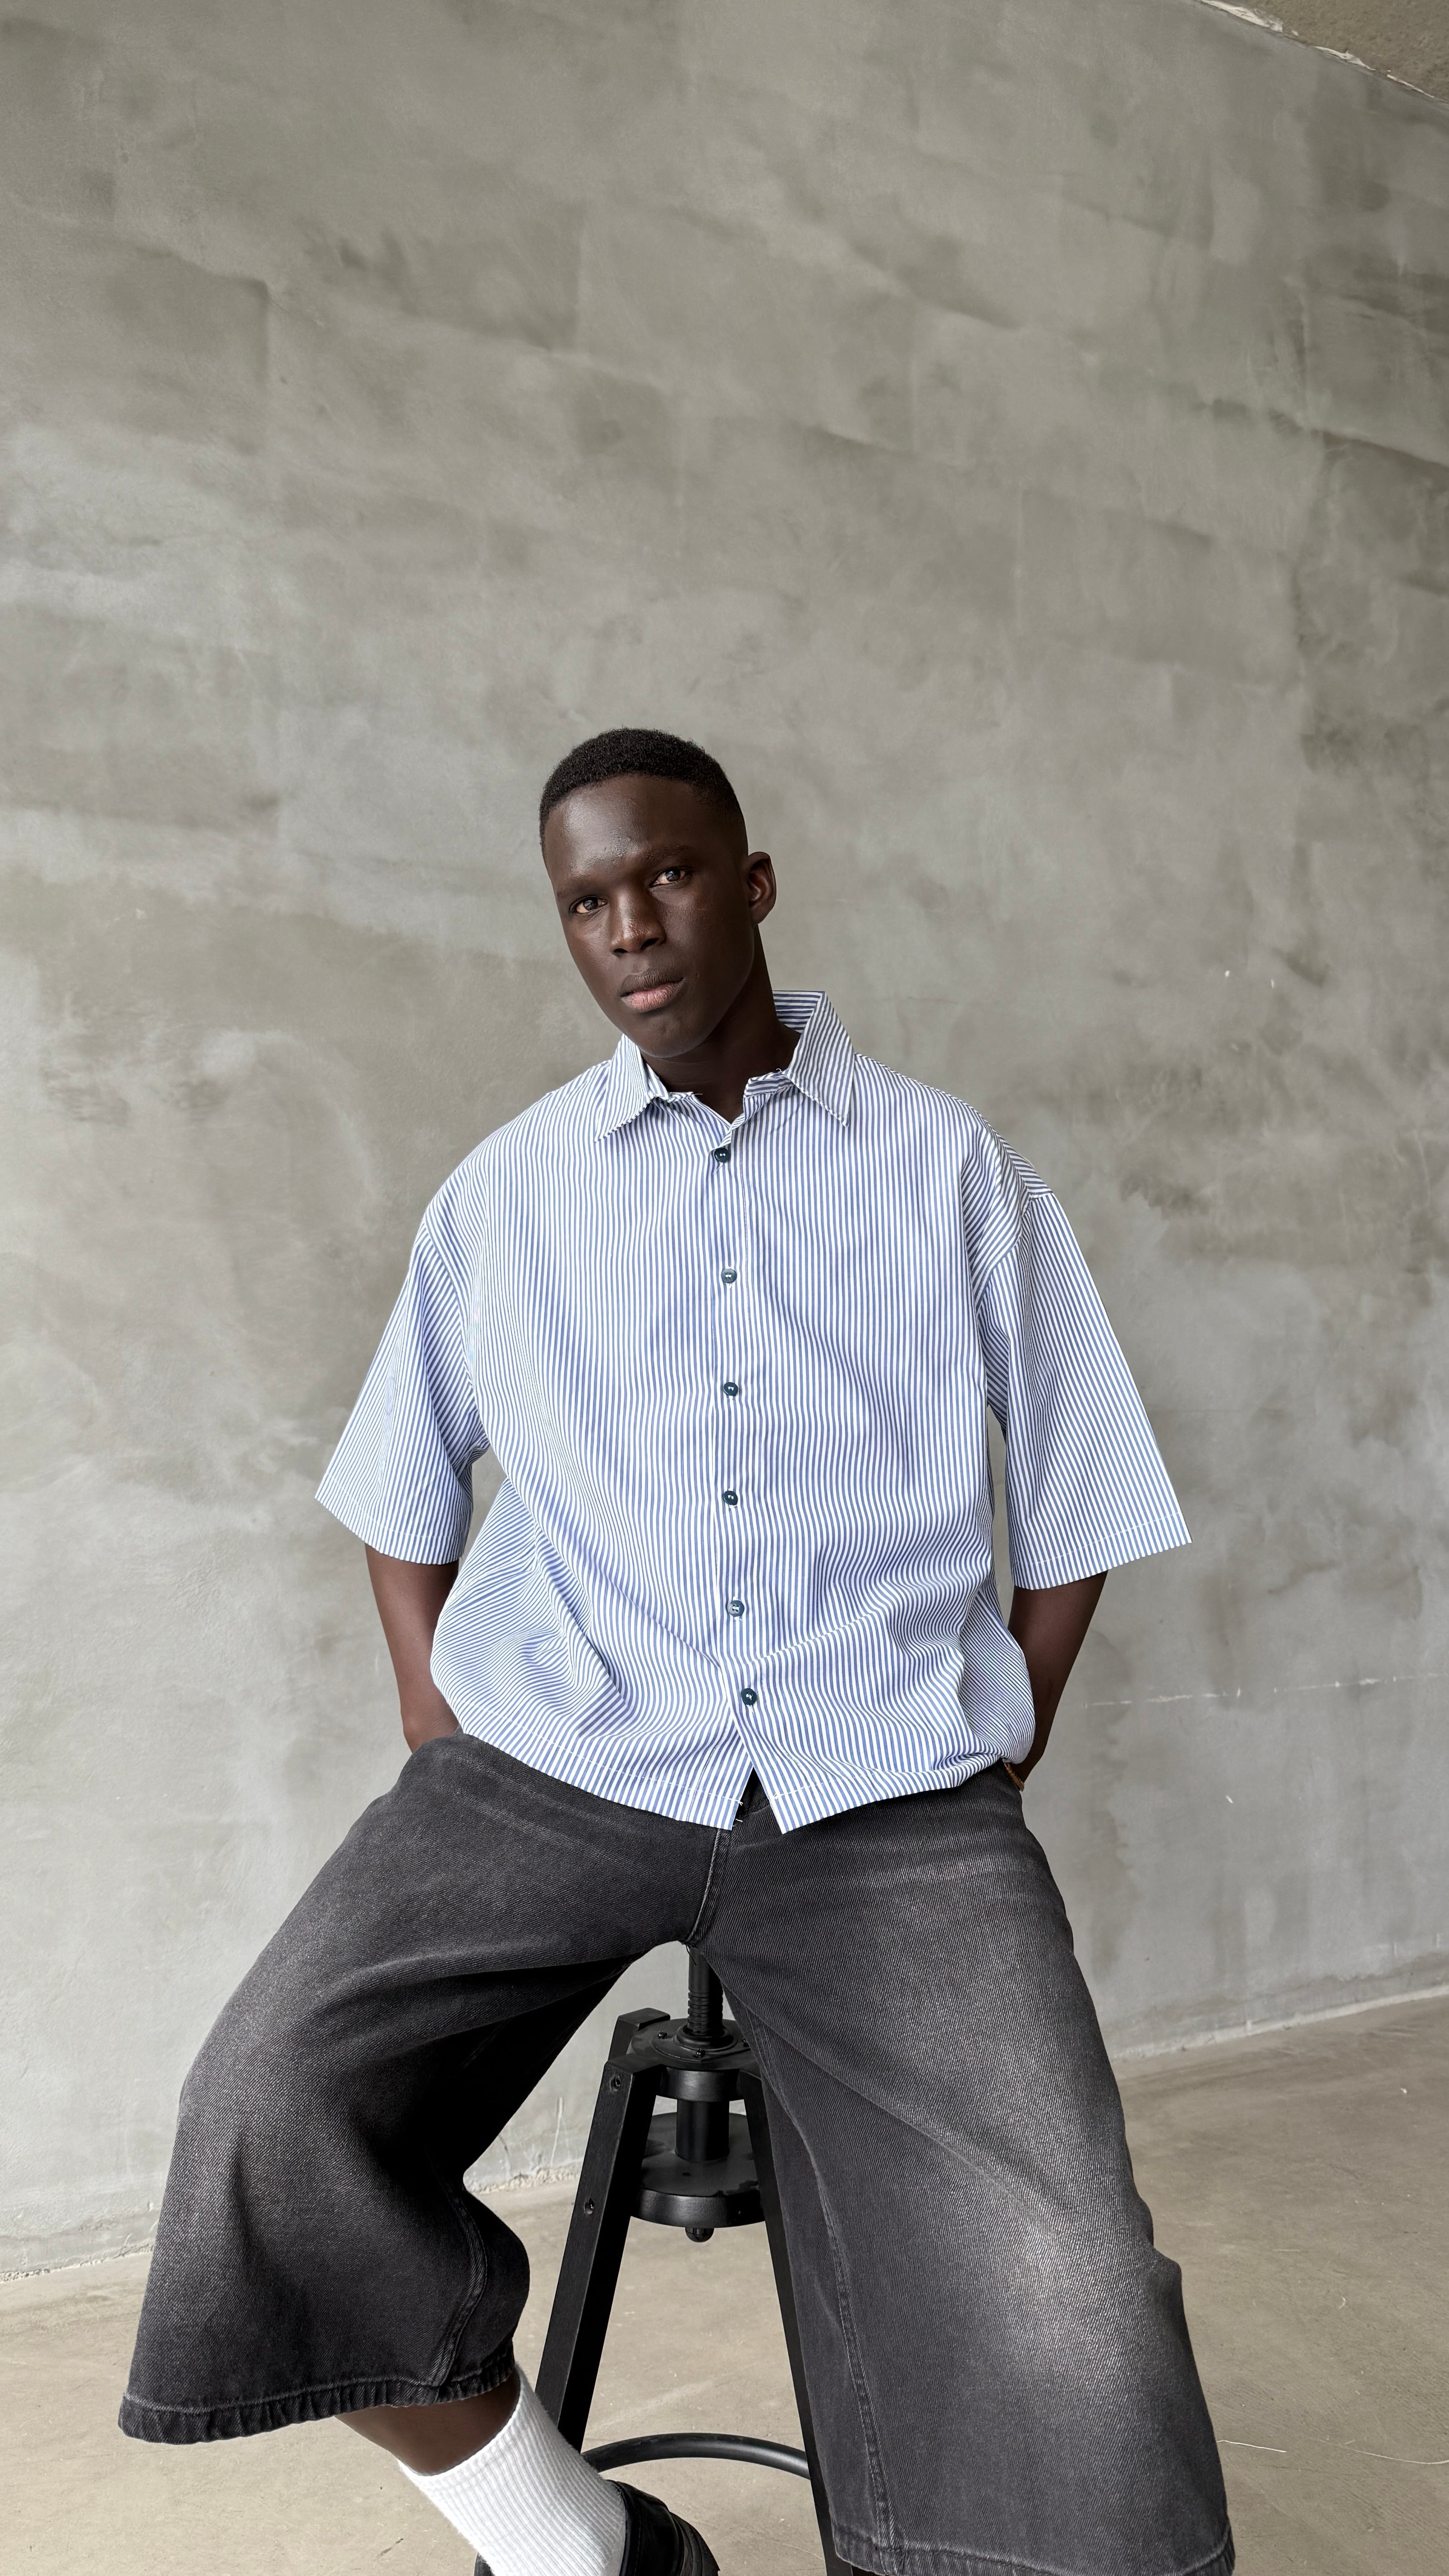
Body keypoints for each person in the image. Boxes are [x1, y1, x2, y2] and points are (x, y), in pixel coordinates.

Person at [120, 729, 1233, 2576]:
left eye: (668, 875)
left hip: (882, 1797)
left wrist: (1007, 1724)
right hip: (561, 1761)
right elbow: (400, 1484)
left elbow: (1088, 1483)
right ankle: (578, 2544)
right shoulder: (508, 1193)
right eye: (587, 901)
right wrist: (435, 1712)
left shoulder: (948, 1167)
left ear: (753, 883)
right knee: (265, 2115)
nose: (631, 925)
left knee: (1075, 2291)